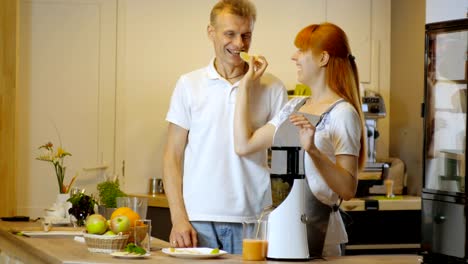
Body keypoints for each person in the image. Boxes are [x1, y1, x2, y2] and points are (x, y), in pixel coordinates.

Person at [162, 0, 288, 254]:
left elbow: (284, 161)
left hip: (252, 222)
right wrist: (178, 218)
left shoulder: (273, 87)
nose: (239, 44)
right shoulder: (189, 84)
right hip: (197, 221)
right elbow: (172, 156)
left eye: (246, 35)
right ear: (211, 32)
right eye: (230, 34)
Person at [234, 22, 366, 256]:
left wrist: (313, 150)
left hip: (321, 236)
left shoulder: (343, 113)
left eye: (302, 51)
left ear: (323, 58)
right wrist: (245, 85)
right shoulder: (294, 106)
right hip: (283, 230)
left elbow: (347, 188)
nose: (294, 57)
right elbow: (244, 144)